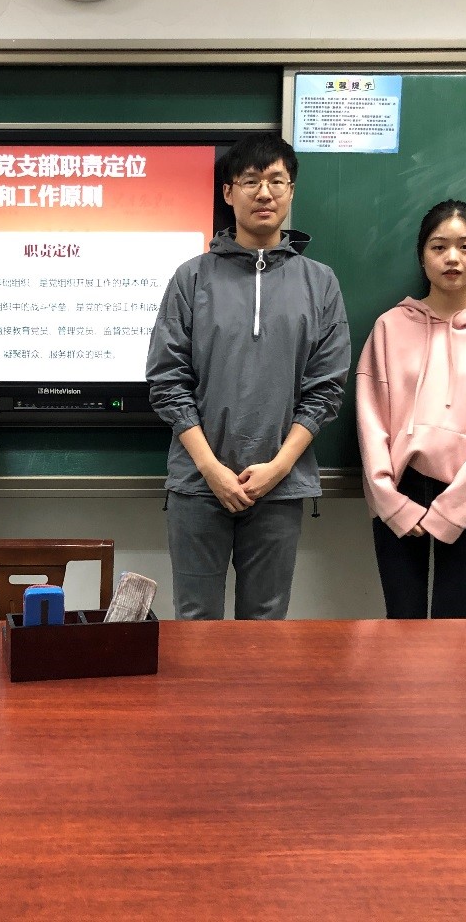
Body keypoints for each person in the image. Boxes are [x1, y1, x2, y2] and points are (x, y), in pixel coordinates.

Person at [145, 133, 350, 620]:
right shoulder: (191, 278)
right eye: (251, 181)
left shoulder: (319, 282)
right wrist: (211, 469)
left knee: (265, 626)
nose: (264, 193)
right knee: (196, 620)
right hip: (198, 483)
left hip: (281, 485)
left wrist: (278, 468)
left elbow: (325, 389)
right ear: (228, 192)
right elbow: (167, 381)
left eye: (277, 181)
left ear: (291, 191)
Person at [356, 201, 466, 619]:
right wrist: (391, 502)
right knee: (403, 621)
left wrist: (455, 509)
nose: (452, 258)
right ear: (422, 255)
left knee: (456, 624)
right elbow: (371, 420)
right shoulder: (390, 326)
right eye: (439, 247)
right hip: (401, 487)